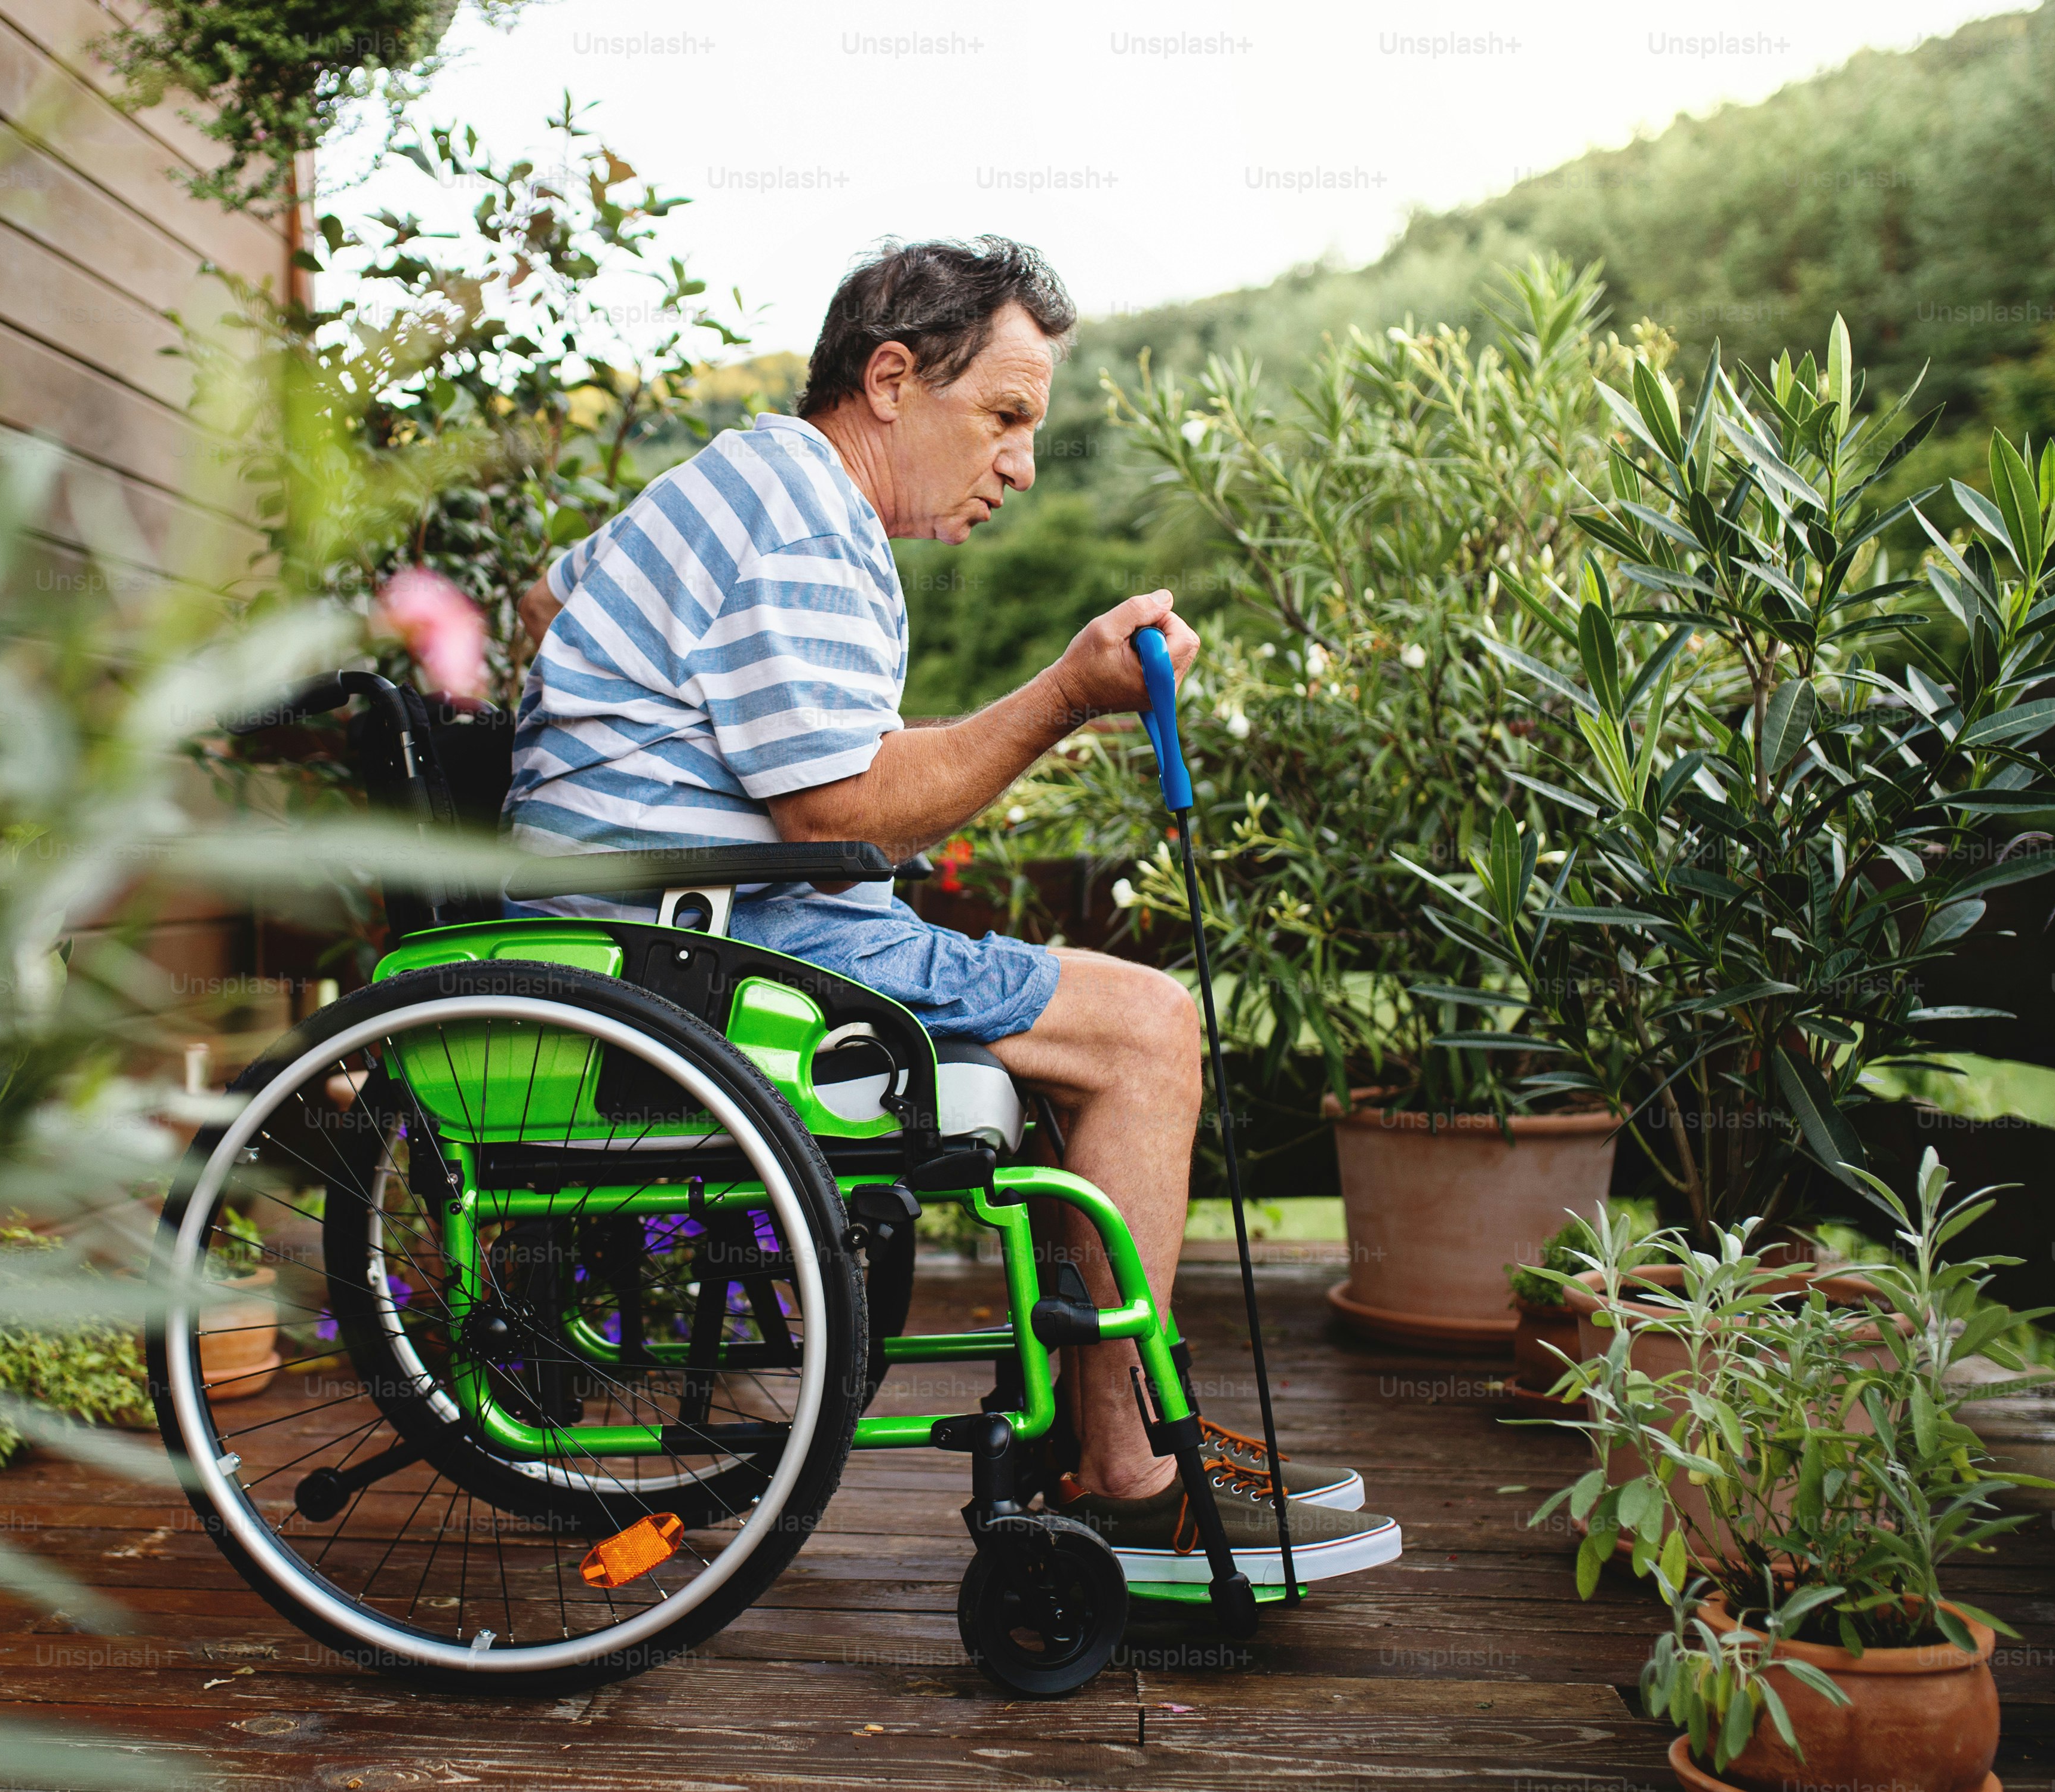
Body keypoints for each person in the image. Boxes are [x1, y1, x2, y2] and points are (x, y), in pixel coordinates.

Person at [504, 237, 1397, 1582]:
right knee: (1146, 1027)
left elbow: (539, 606)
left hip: (641, 929)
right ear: (889, 378)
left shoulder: (734, 477)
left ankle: (1106, 1436)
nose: (1020, 464)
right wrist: (1061, 694)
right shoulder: (809, 521)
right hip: (710, 949)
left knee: (1073, 1043)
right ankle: (1126, 1475)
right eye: (1004, 416)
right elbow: (836, 810)